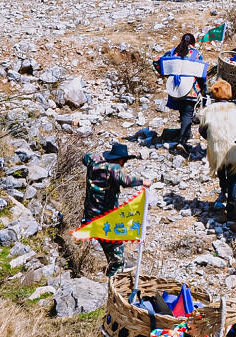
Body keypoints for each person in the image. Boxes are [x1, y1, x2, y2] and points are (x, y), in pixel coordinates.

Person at [81, 143, 151, 276]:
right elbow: (125, 180)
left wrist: (100, 157)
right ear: (120, 160)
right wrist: (143, 181)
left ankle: (112, 265)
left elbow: (84, 157)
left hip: (90, 212)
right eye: (124, 161)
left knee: (108, 243)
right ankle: (114, 275)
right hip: (105, 216)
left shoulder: (93, 159)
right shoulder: (113, 168)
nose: (123, 164)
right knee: (116, 243)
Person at [159, 33, 205, 154]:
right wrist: (204, 88)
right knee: (187, 115)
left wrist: (164, 75)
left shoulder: (173, 52)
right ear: (193, 43)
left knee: (183, 114)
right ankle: (183, 141)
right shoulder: (196, 54)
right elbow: (201, 75)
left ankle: (184, 136)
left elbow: (159, 63)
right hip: (190, 90)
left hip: (175, 89)